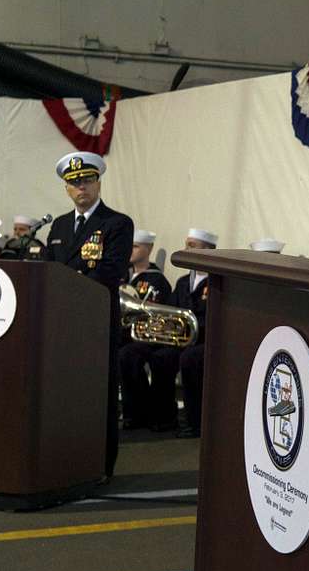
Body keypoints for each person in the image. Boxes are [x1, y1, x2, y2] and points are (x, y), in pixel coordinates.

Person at [44, 151, 133, 479]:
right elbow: (46, 272)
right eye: (74, 183)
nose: (81, 187)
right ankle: (65, 460)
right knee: (64, 394)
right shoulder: (60, 225)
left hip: (95, 323)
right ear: (66, 189)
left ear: (98, 182)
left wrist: (68, 285)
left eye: (87, 180)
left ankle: (100, 465)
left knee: (98, 395)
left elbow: (110, 271)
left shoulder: (116, 223)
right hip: (60, 325)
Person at [149, 228, 216, 437]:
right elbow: (171, 311)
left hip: (205, 341)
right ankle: (164, 417)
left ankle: (194, 421)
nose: (186, 249)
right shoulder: (182, 282)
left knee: (190, 360)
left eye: (192, 245)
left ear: (210, 251)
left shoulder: (217, 283)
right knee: (160, 357)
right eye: (186, 244)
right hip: (184, 340)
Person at [117, 230, 173, 430]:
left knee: (128, 356)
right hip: (122, 333)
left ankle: (138, 411)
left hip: (145, 337)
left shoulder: (157, 281)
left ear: (148, 249)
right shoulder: (122, 274)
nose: (130, 251)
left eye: (135, 246)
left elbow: (160, 314)